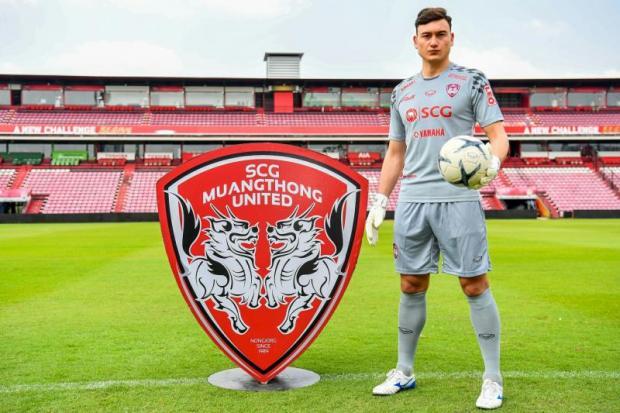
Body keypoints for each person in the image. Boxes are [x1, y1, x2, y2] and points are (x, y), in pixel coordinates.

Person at [365, 7, 509, 410]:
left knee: (474, 284)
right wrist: (381, 199)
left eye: (440, 34)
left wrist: (493, 162)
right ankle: (404, 371)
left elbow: (498, 136)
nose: (433, 41)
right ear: (415, 41)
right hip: (413, 200)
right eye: (426, 35)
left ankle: (492, 378)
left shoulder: (472, 81)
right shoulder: (401, 92)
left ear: (451, 38)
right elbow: (396, 151)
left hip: (458, 199)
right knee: (411, 284)